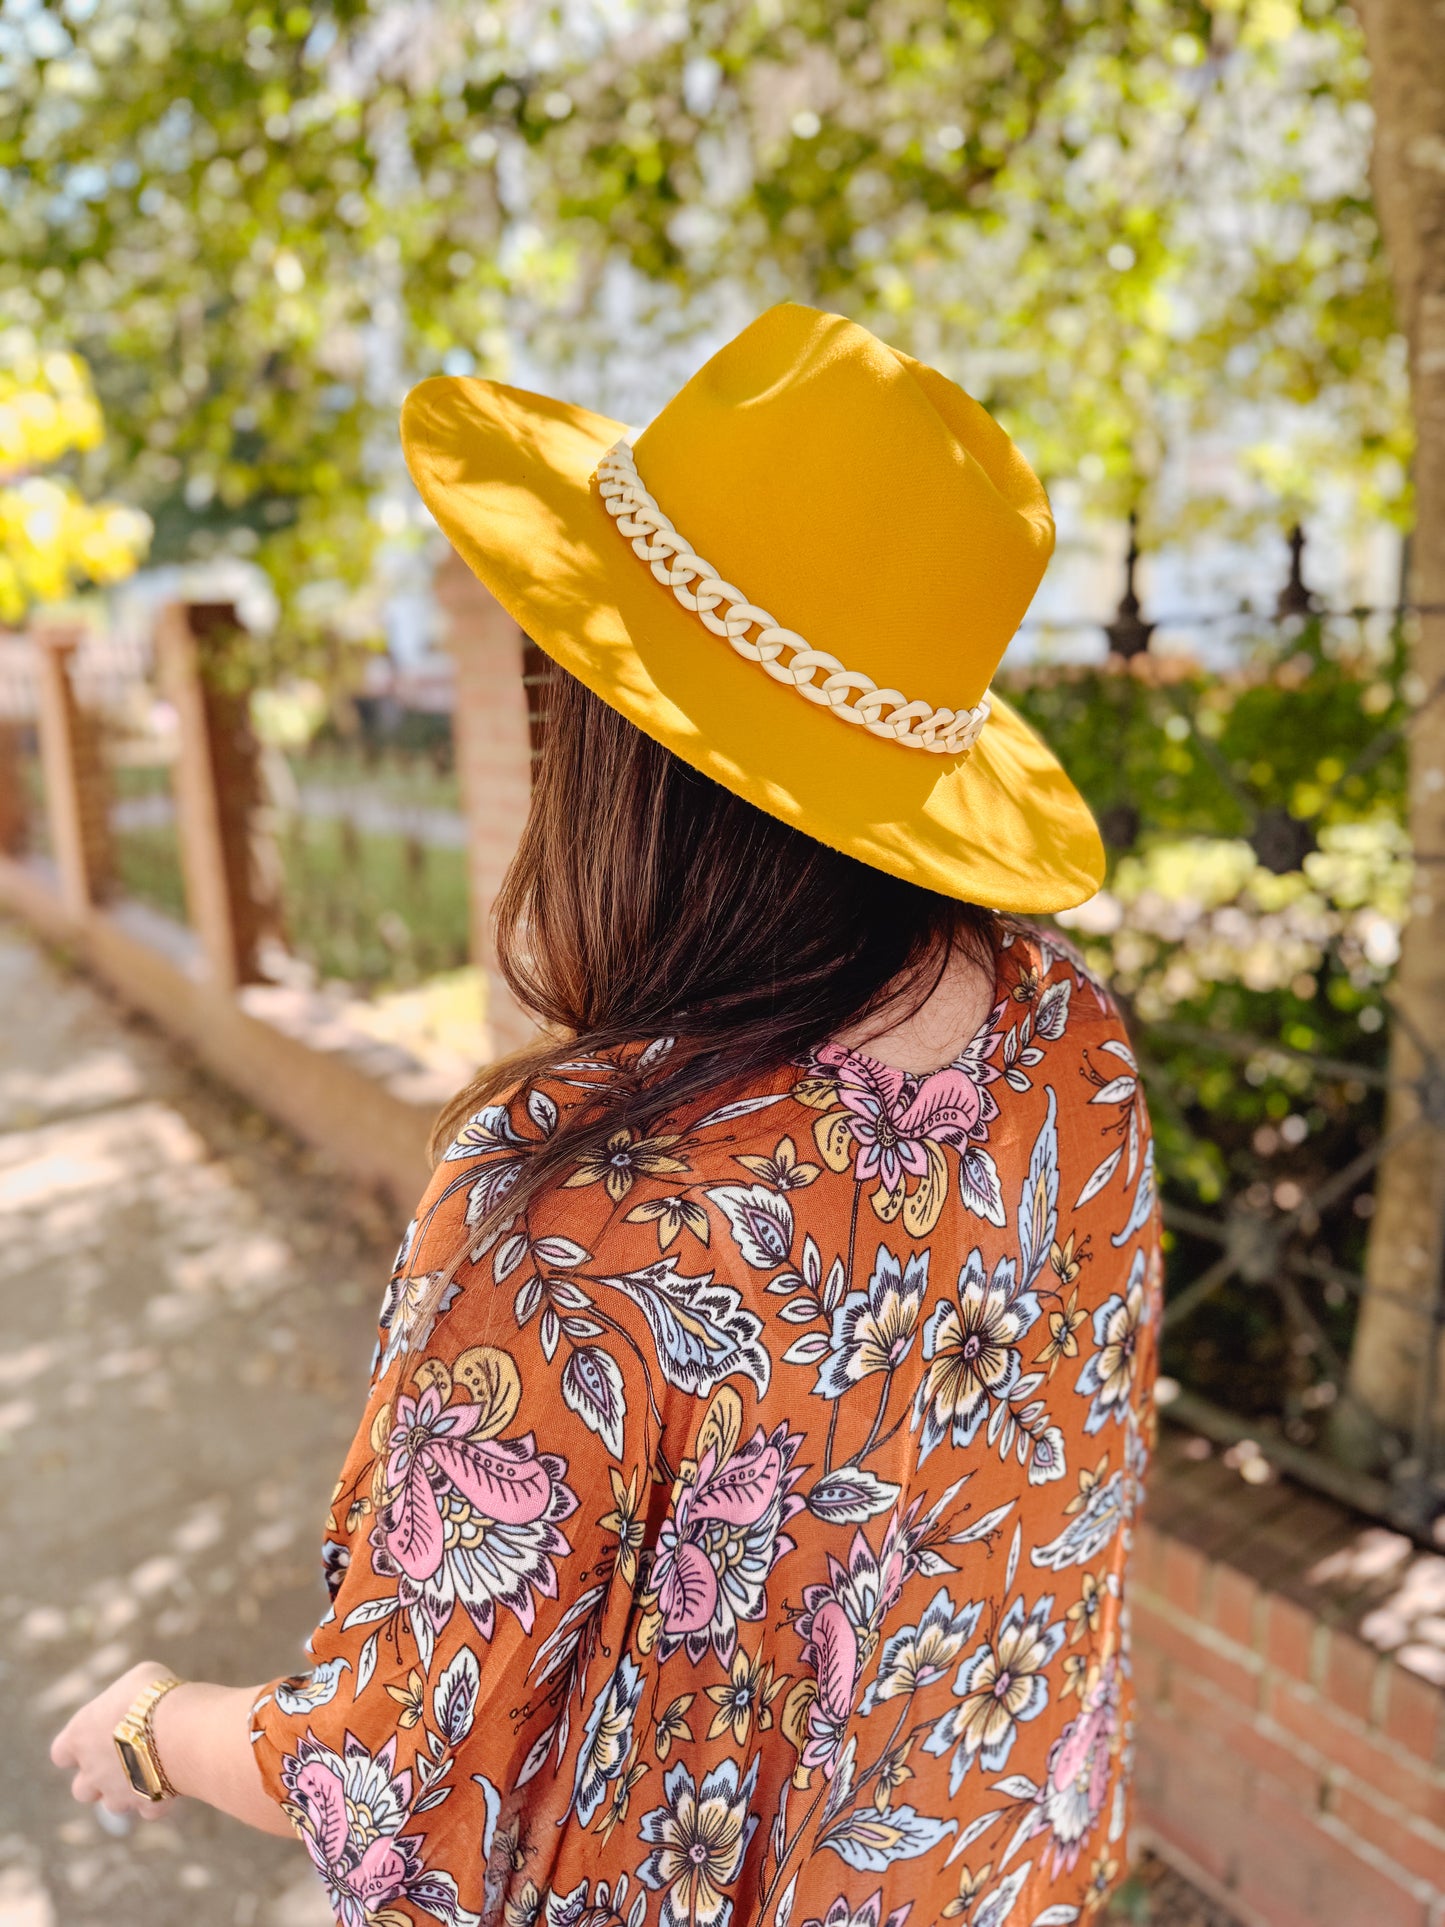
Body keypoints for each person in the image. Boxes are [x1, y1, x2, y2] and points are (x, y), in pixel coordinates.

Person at [53, 303, 1160, 1927]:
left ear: (631, 744)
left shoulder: (582, 1202)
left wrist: (150, 1725)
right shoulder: (1070, 1041)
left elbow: (390, 1775)